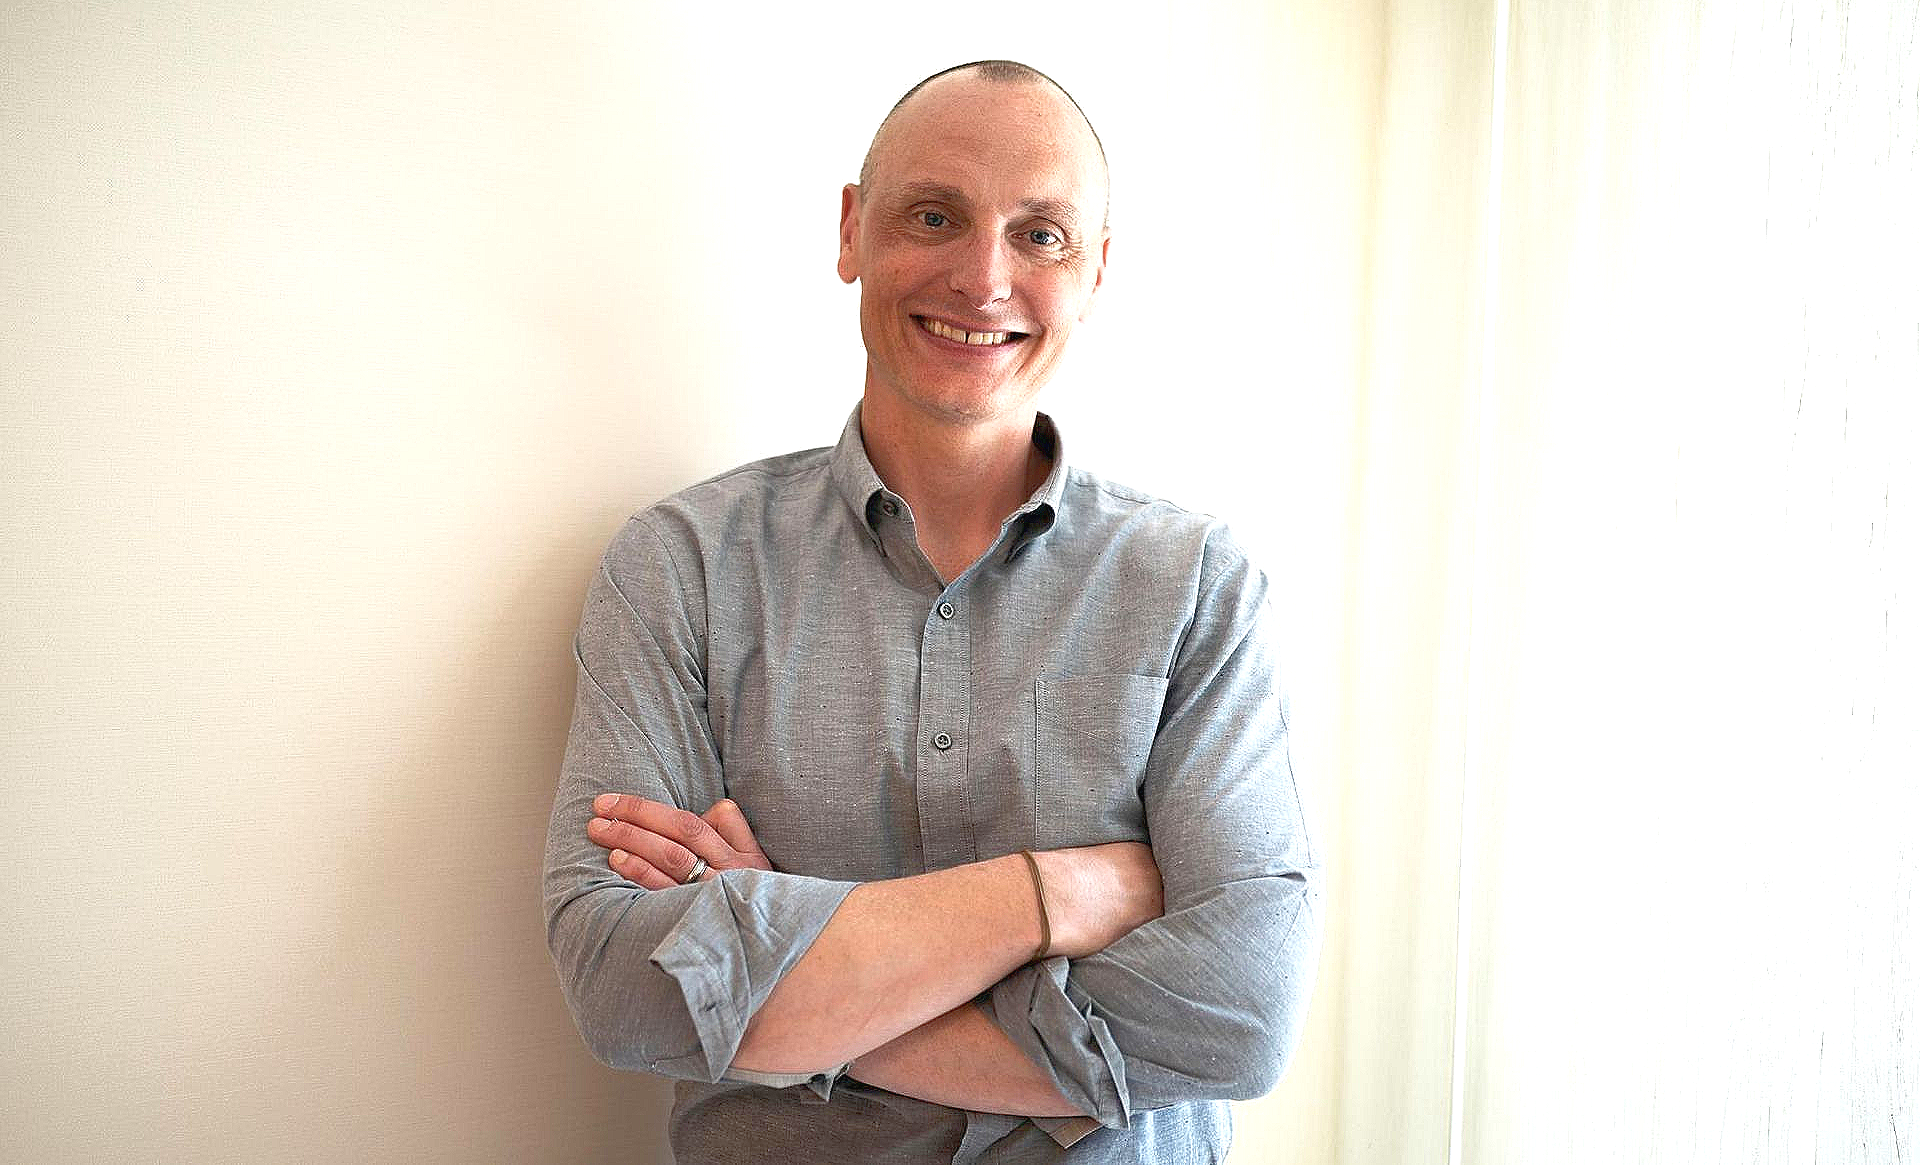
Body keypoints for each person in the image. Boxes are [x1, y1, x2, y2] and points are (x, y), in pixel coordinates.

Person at [542, 60, 1321, 1163]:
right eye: (935, 214)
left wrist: (787, 969)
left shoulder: (1198, 585)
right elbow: (622, 986)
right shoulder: (681, 568)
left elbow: (1243, 1013)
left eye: (1041, 234)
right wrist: (1052, 894)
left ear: (1096, 271)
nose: (983, 276)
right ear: (854, 231)